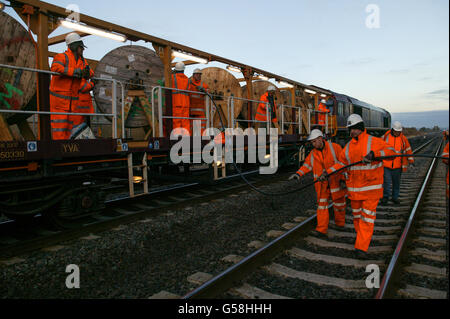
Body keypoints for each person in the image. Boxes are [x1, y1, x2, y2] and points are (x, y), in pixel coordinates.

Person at [320, 114, 395, 258]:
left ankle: (361, 247)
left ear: (361, 128)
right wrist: (327, 173)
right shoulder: (348, 147)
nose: (352, 132)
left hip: (371, 190)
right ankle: (362, 239)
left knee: (367, 218)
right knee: (357, 218)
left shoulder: (374, 141)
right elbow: (341, 164)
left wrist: (375, 154)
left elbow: (392, 153)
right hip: (354, 192)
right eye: (350, 129)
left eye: (354, 129)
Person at [288, 129, 347, 236]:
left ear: (321, 139)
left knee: (339, 205)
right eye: (312, 142)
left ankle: (340, 224)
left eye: (314, 141)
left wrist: (343, 179)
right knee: (322, 207)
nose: (313, 144)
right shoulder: (313, 154)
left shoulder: (335, 148)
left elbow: (343, 164)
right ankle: (321, 229)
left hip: (336, 182)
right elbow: (306, 166)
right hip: (322, 185)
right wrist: (298, 174)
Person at [49, 33, 90, 140]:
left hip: (72, 103)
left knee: (69, 129)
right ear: (74, 46)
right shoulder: (61, 57)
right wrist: (74, 72)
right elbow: (55, 68)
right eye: (81, 47)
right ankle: (59, 149)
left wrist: (87, 74)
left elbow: (90, 71)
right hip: (59, 103)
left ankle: (67, 150)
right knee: (60, 128)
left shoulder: (82, 61)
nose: (83, 50)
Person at [380, 121, 414, 205]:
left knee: (396, 183)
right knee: (386, 182)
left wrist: (411, 161)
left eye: (399, 132)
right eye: (396, 131)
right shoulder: (385, 137)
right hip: (386, 165)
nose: (398, 133)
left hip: (398, 166)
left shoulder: (403, 139)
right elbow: (378, 146)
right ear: (393, 130)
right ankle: (385, 197)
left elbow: (408, 150)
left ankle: (395, 198)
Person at [171, 62, 190, 135]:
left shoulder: (172, 77)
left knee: (176, 122)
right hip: (186, 104)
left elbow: (164, 81)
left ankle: (177, 138)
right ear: (183, 70)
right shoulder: (187, 79)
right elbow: (189, 89)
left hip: (176, 103)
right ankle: (186, 137)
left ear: (175, 69)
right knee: (185, 122)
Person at [188, 68, 208, 134]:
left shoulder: (203, 85)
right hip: (191, 112)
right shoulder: (190, 84)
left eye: (199, 75)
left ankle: (201, 141)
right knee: (190, 128)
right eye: (197, 74)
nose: (198, 76)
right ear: (193, 75)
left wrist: (204, 90)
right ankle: (190, 141)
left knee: (202, 128)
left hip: (200, 112)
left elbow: (208, 92)